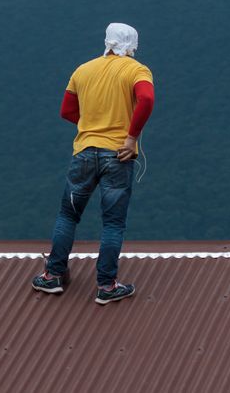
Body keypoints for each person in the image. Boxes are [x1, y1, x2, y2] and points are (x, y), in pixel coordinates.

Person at [32, 22, 155, 304]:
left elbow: (66, 111)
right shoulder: (137, 70)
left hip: (84, 153)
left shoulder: (83, 70)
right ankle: (106, 286)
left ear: (107, 41)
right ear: (132, 45)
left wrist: (90, 124)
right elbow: (147, 99)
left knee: (68, 215)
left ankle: (52, 276)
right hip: (118, 155)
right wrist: (131, 138)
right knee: (112, 223)